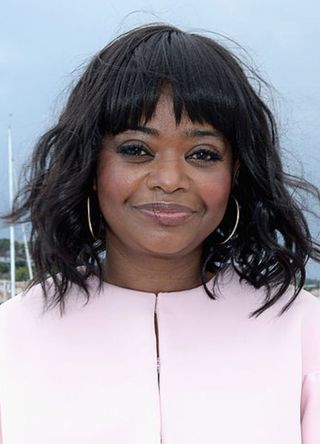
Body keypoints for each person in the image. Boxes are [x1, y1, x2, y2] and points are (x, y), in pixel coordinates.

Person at [0, 23, 319, 444]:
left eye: (202, 154)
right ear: (92, 166)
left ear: (234, 172)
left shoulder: (303, 331)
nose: (169, 179)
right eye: (136, 149)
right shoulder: (14, 335)